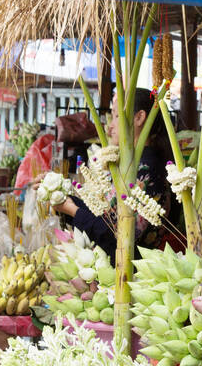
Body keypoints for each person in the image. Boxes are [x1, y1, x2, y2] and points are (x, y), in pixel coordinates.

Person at [52, 87, 174, 259]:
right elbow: (105, 215)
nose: (110, 126)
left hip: (131, 273)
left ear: (139, 117)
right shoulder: (131, 163)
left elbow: (117, 236)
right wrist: (62, 198)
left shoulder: (148, 168)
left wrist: (73, 211)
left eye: (117, 116)